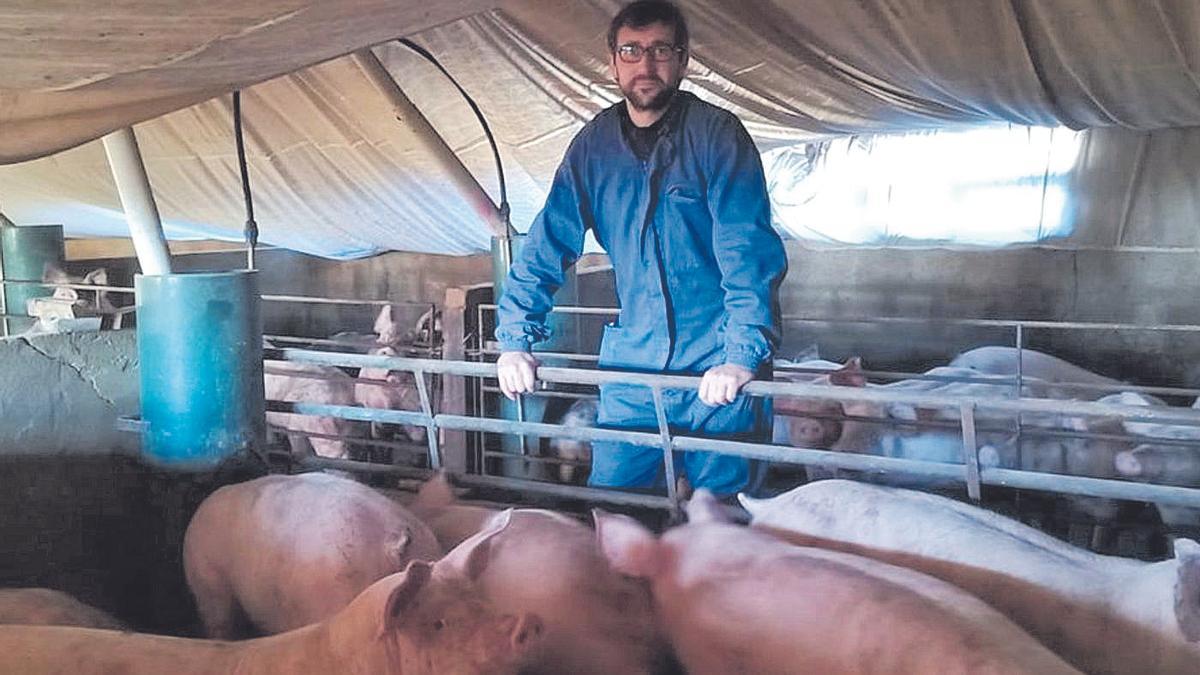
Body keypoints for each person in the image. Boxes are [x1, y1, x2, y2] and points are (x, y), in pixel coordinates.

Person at [494, 0, 786, 497]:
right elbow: (548, 242)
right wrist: (515, 340)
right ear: (613, 61)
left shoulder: (717, 136)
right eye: (631, 50)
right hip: (633, 365)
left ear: (683, 59)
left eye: (660, 50)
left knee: (721, 521)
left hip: (715, 360)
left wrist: (740, 356)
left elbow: (747, 253)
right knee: (614, 507)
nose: (645, 65)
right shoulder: (593, 147)